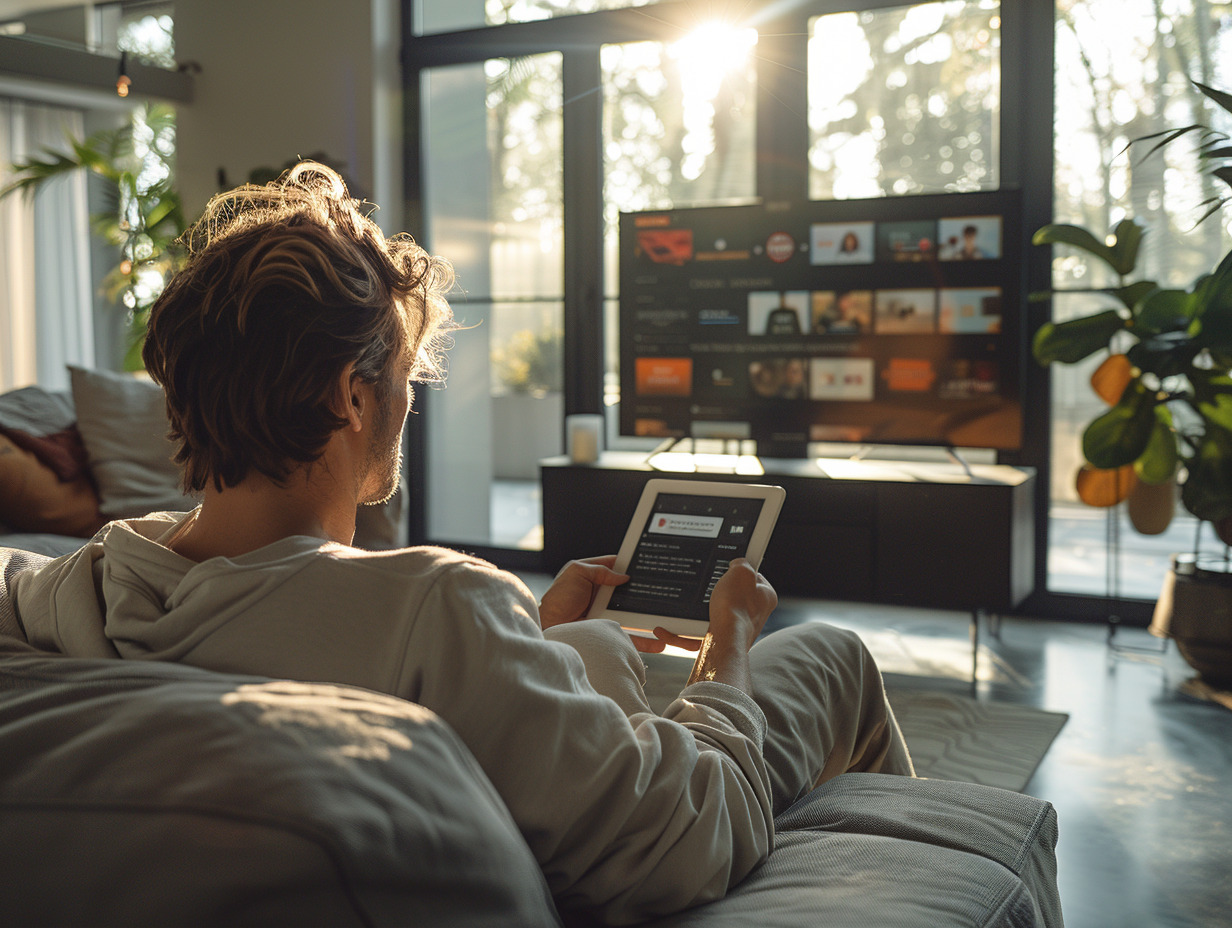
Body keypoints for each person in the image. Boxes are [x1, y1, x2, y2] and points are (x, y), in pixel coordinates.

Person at [9, 163, 913, 925]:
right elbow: (689, 835)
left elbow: (305, 624)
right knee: (832, 653)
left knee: (594, 648)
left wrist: (531, 641)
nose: (407, 407)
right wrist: (728, 654)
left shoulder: (73, 588)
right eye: (402, 379)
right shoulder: (437, 606)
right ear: (351, 397)